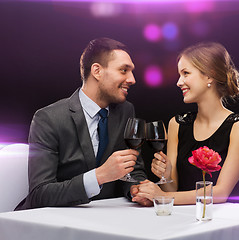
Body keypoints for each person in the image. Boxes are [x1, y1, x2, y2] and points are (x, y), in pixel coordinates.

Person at [16, 37, 151, 210]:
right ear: (97, 71)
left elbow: (133, 170)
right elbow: (40, 194)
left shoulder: (126, 111)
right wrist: (99, 176)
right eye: (124, 70)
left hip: (107, 219)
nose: (132, 79)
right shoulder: (48, 118)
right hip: (52, 223)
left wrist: (137, 189)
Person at [133, 42, 239, 205]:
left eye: (186, 73)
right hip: (186, 217)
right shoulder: (177, 123)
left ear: (209, 76)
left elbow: (220, 193)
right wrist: (166, 176)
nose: (179, 82)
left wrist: (161, 196)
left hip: (228, 220)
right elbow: (173, 189)